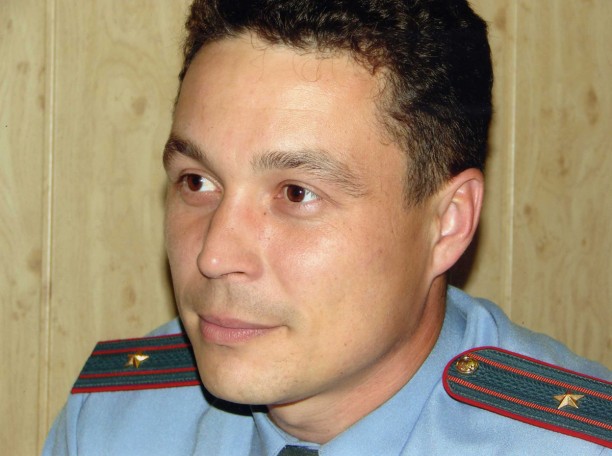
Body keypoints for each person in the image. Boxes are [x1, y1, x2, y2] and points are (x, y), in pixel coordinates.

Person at [44, 0, 611, 454]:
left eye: (296, 193)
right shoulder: (111, 425)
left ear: (447, 223)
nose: (214, 256)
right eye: (197, 181)